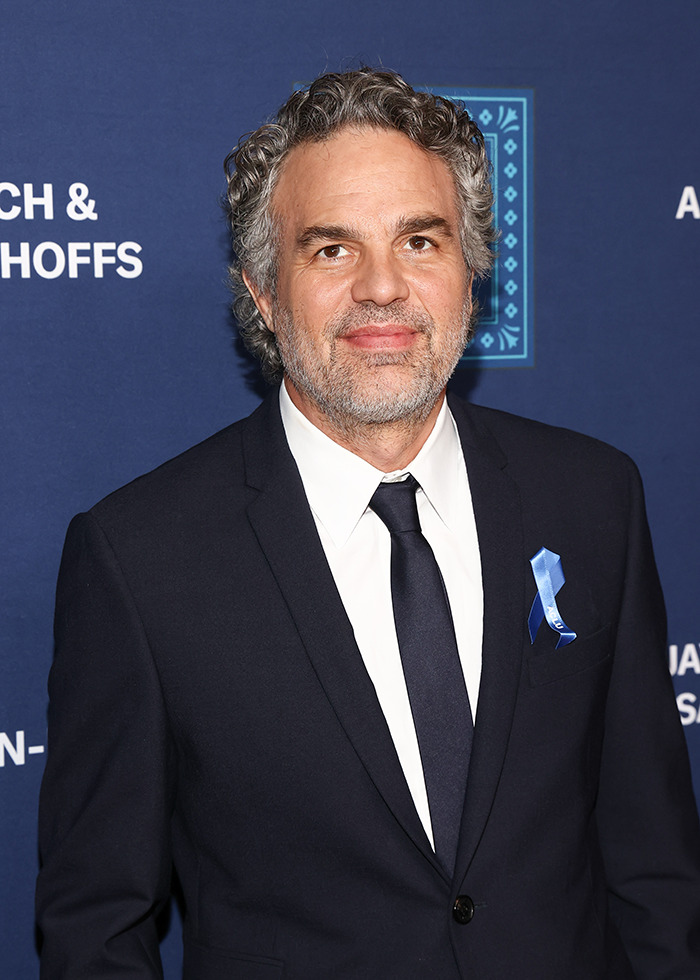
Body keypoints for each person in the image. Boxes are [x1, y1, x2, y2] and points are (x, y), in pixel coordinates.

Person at [36, 68, 700, 979]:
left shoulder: (593, 498)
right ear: (263, 293)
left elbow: (653, 866)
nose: (383, 288)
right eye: (332, 250)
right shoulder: (139, 558)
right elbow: (96, 926)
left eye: (420, 241)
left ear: (471, 274)